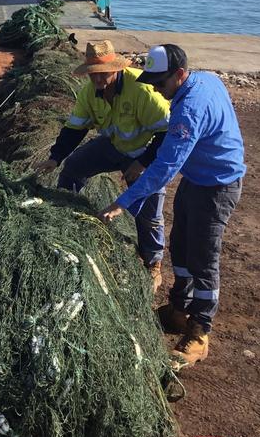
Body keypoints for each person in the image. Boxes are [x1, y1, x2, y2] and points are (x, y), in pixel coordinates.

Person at [99, 44, 246, 369]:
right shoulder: (206, 79)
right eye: (150, 82)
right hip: (197, 177)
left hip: (219, 184)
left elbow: (165, 167)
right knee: (180, 245)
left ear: (180, 75)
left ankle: (199, 332)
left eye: (160, 83)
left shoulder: (188, 112)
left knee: (203, 255)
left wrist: (123, 202)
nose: (155, 89)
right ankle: (178, 309)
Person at [35, 40, 170, 289]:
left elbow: (167, 132)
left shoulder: (142, 90)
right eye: (93, 74)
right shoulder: (89, 93)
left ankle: (153, 262)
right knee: (74, 167)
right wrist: (56, 157)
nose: (97, 79)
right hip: (112, 145)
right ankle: (68, 217)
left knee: (148, 207)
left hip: (146, 151)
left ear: (116, 69)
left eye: (103, 74)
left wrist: (142, 162)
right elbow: (74, 128)